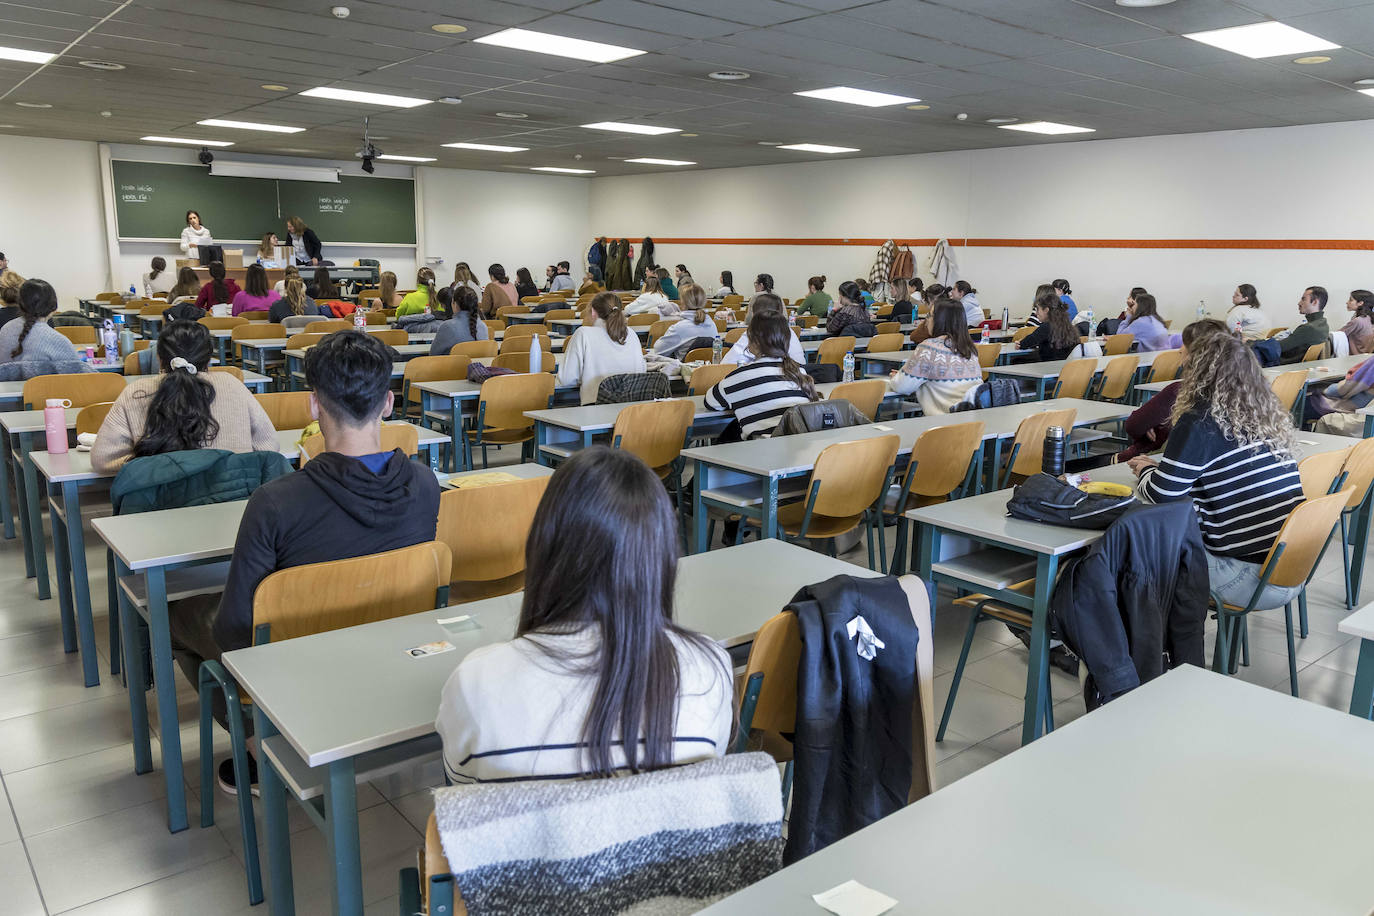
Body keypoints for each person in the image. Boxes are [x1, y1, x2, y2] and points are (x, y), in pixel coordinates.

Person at [171, 330, 440, 793]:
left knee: (177, 617)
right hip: (397, 650)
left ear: (314, 406)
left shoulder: (275, 502)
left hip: (304, 669)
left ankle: (258, 745)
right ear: (389, 403)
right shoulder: (425, 482)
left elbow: (237, 628)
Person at [436, 445, 731, 783]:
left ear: (545, 545)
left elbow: (461, 791)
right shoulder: (711, 669)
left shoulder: (476, 682)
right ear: (660, 555)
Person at [1130, 331, 1303, 609]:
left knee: (1135, 557)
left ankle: (1136, 643)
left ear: (1197, 372)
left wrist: (1145, 471)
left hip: (1244, 578)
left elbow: (1161, 494)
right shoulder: (1266, 414)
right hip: (1289, 572)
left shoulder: (1200, 420)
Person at [91, 321, 277, 473]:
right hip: (230, 498)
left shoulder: (136, 392)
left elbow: (102, 459)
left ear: (159, 358)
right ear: (209, 359)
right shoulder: (232, 384)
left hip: (159, 506)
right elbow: (269, 447)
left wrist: (146, 461)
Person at [1115, 319, 1230, 462]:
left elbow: (1133, 425)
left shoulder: (1180, 391)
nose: (1180, 349)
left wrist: (1151, 422)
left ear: (1194, 354)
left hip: (1153, 462)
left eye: (1185, 344)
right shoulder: (1238, 393)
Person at [705, 310, 817, 439]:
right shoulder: (799, 372)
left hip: (763, 452)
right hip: (798, 448)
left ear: (754, 340)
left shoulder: (739, 377)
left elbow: (710, 402)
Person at [888, 300, 983, 414]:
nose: (926, 320)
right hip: (972, 422)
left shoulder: (929, 348)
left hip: (944, 423)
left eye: (929, 316)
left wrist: (897, 377)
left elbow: (902, 386)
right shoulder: (970, 349)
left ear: (940, 320)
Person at [558, 291, 646, 404]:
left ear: (593, 312)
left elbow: (566, 379)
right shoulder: (632, 334)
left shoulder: (583, 334)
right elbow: (641, 370)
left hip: (596, 408)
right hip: (632, 410)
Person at [0, 279, 89, 373]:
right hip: (47, 388)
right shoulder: (58, 341)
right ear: (54, 307)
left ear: (20, 304)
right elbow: (79, 377)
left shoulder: (5, 330)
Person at [723, 293, 805, 366]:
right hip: (794, 376)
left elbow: (727, 364)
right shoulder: (789, 332)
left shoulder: (754, 333)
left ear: (754, 314)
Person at [653, 284, 716, 356]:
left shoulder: (679, 328)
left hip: (685, 366)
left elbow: (658, 350)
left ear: (683, 303)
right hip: (710, 366)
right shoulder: (711, 323)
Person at [1020, 290, 1081, 361]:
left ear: (1046, 310)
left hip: (1048, 367)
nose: (1036, 313)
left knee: (1017, 360)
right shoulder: (1068, 325)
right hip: (1066, 367)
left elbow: (1025, 343)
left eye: (1038, 310)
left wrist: (1020, 343)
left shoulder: (1046, 327)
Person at [430, 286, 489, 356]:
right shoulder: (483, 326)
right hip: (478, 366)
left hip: (452, 366)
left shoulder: (447, 327)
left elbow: (433, 354)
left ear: (454, 304)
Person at [1279, 286, 1330, 363]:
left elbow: (1280, 347)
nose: (1299, 303)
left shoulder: (1309, 328)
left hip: (1285, 366)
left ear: (1315, 302)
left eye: (1303, 299)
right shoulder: (1323, 323)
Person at [1340, 289, 1374, 354]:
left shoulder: (1358, 321)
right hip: (1366, 358)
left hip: (1355, 358)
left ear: (1360, 303)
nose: (1347, 302)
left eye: (1351, 300)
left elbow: (1337, 335)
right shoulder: (1369, 318)